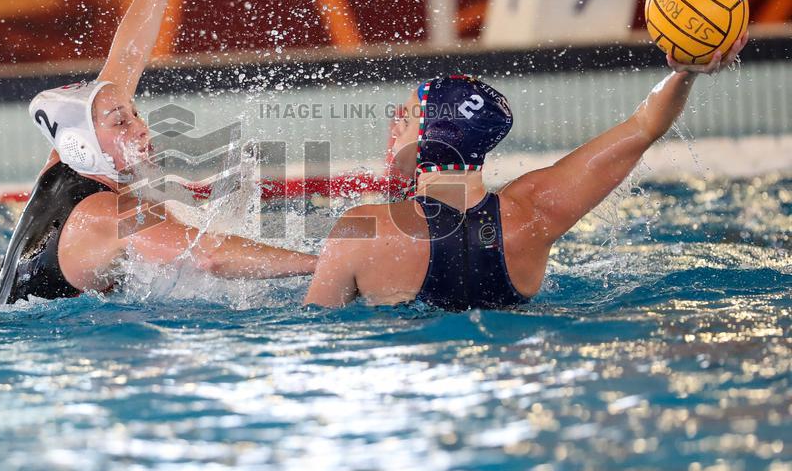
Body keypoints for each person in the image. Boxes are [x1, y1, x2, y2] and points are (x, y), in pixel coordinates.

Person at [0, 0, 316, 308]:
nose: (140, 127)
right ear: (82, 144)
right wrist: (322, 263)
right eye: (121, 122)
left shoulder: (69, 158)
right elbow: (209, 255)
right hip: (27, 344)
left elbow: (126, 56)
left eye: (136, 114)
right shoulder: (105, 215)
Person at [303, 34, 749, 310]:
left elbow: (314, 334)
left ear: (431, 140)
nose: (395, 125)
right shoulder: (535, 214)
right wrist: (687, 71)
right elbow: (642, 127)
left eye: (407, 118)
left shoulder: (362, 230)